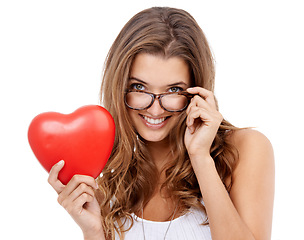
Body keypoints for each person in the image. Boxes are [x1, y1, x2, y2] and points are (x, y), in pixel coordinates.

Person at [48, 7, 275, 240]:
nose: (155, 109)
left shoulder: (245, 149)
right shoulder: (108, 175)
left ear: (196, 90)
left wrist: (201, 158)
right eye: (139, 87)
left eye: (173, 90)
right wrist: (93, 231)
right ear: (119, 87)